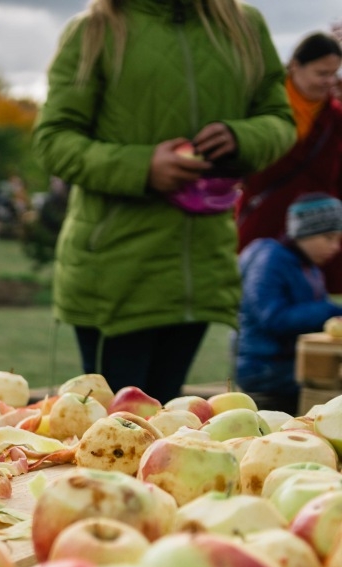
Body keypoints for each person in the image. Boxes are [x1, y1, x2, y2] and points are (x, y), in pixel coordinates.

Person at [33, 0, 295, 403]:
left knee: (171, 433)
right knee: (115, 435)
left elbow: (279, 118)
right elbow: (54, 141)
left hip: (200, 269)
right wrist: (143, 166)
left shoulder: (242, 26)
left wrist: (242, 136)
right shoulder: (96, 30)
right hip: (116, 275)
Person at [236, 32, 342, 291]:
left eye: (334, 74)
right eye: (321, 73)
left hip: (318, 223)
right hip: (266, 217)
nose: (329, 81)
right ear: (295, 66)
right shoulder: (261, 105)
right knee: (261, 291)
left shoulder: (336, 116)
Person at [235, 193, 342, 415]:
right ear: (305, 233)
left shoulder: (309, 267)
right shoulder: (269, 260)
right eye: (329, 238)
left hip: (291, 366)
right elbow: (274, 318)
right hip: (265, 370)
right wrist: (330, 311)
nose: (336, 247)